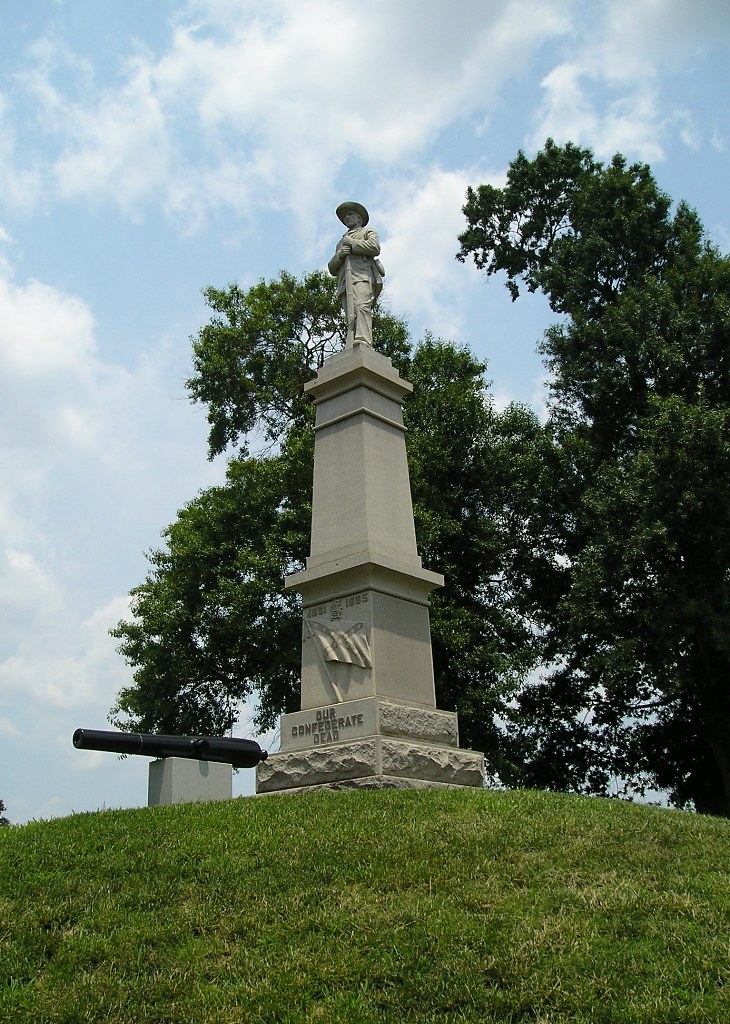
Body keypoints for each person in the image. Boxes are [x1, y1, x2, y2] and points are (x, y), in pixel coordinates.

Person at [328, 201, 384, 347]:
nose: (347, 218)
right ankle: (351, 342)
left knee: (361, 306)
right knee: (350, 315)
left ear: (359, 218)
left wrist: (353, 244)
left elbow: (375, 247)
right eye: (344, 217)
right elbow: (331, 268)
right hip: (345, 282)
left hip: (362, 275)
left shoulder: (367, 232)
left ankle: (363, 340)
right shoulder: (341, 243)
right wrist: (340, 255)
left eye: (350, 214)